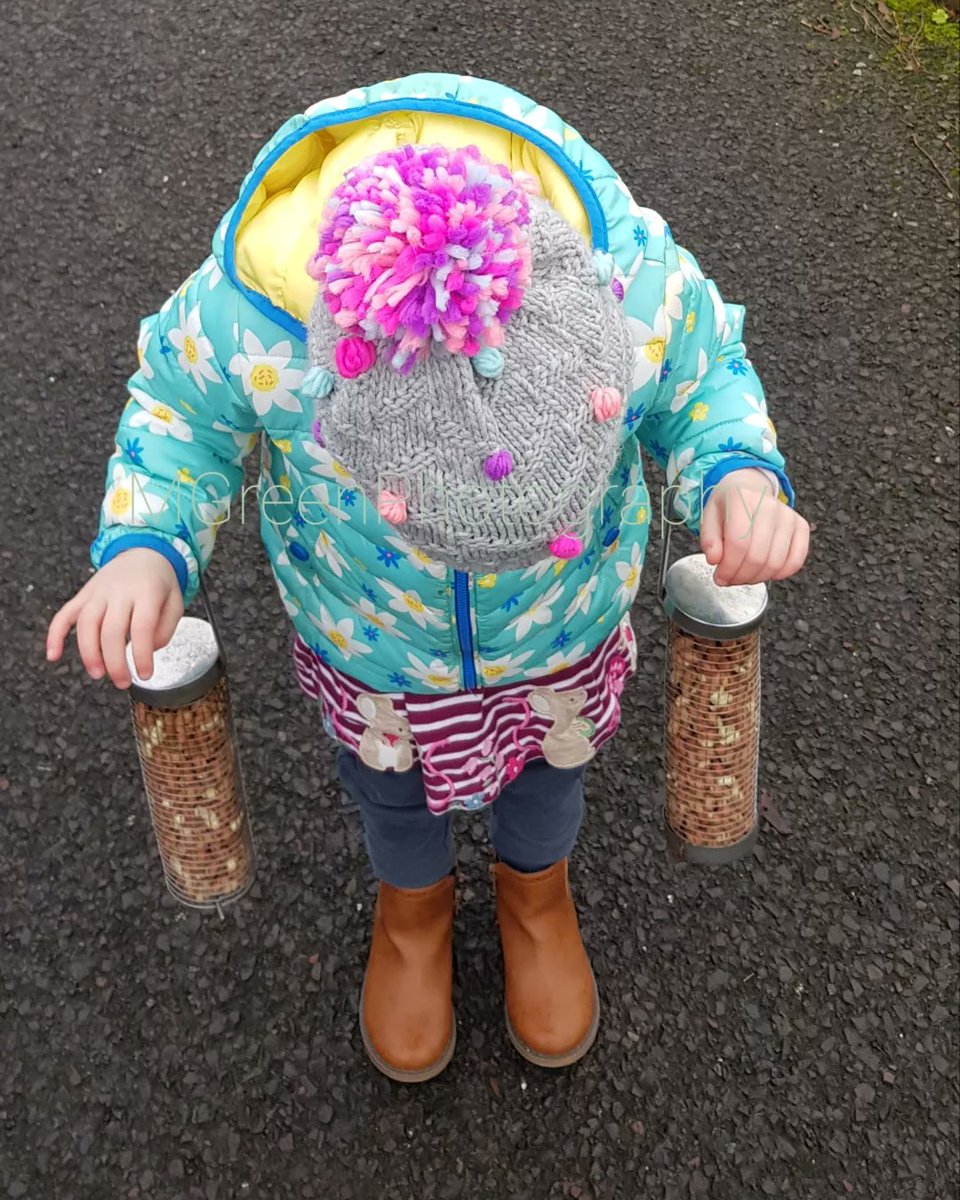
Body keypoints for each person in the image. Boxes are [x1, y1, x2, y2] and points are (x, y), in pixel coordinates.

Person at [46, 74, 810, 1084]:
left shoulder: (620, 279)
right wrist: (148, 544)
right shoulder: (255, 320)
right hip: (374, 645)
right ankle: (412, 910)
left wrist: (736, 472)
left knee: (550, 772)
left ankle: (536, 889)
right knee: (390, 790)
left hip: (559, 628)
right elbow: (181, 417)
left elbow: (704, 368)